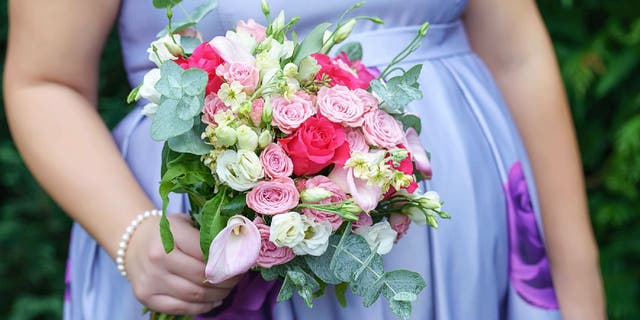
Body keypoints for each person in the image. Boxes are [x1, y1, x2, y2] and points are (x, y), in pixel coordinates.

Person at [3, 0, 606, 319]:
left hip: (454, 249)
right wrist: (133, 236)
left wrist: (577, 293)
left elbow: (516, 53)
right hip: (207, 263)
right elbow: (43, 80)